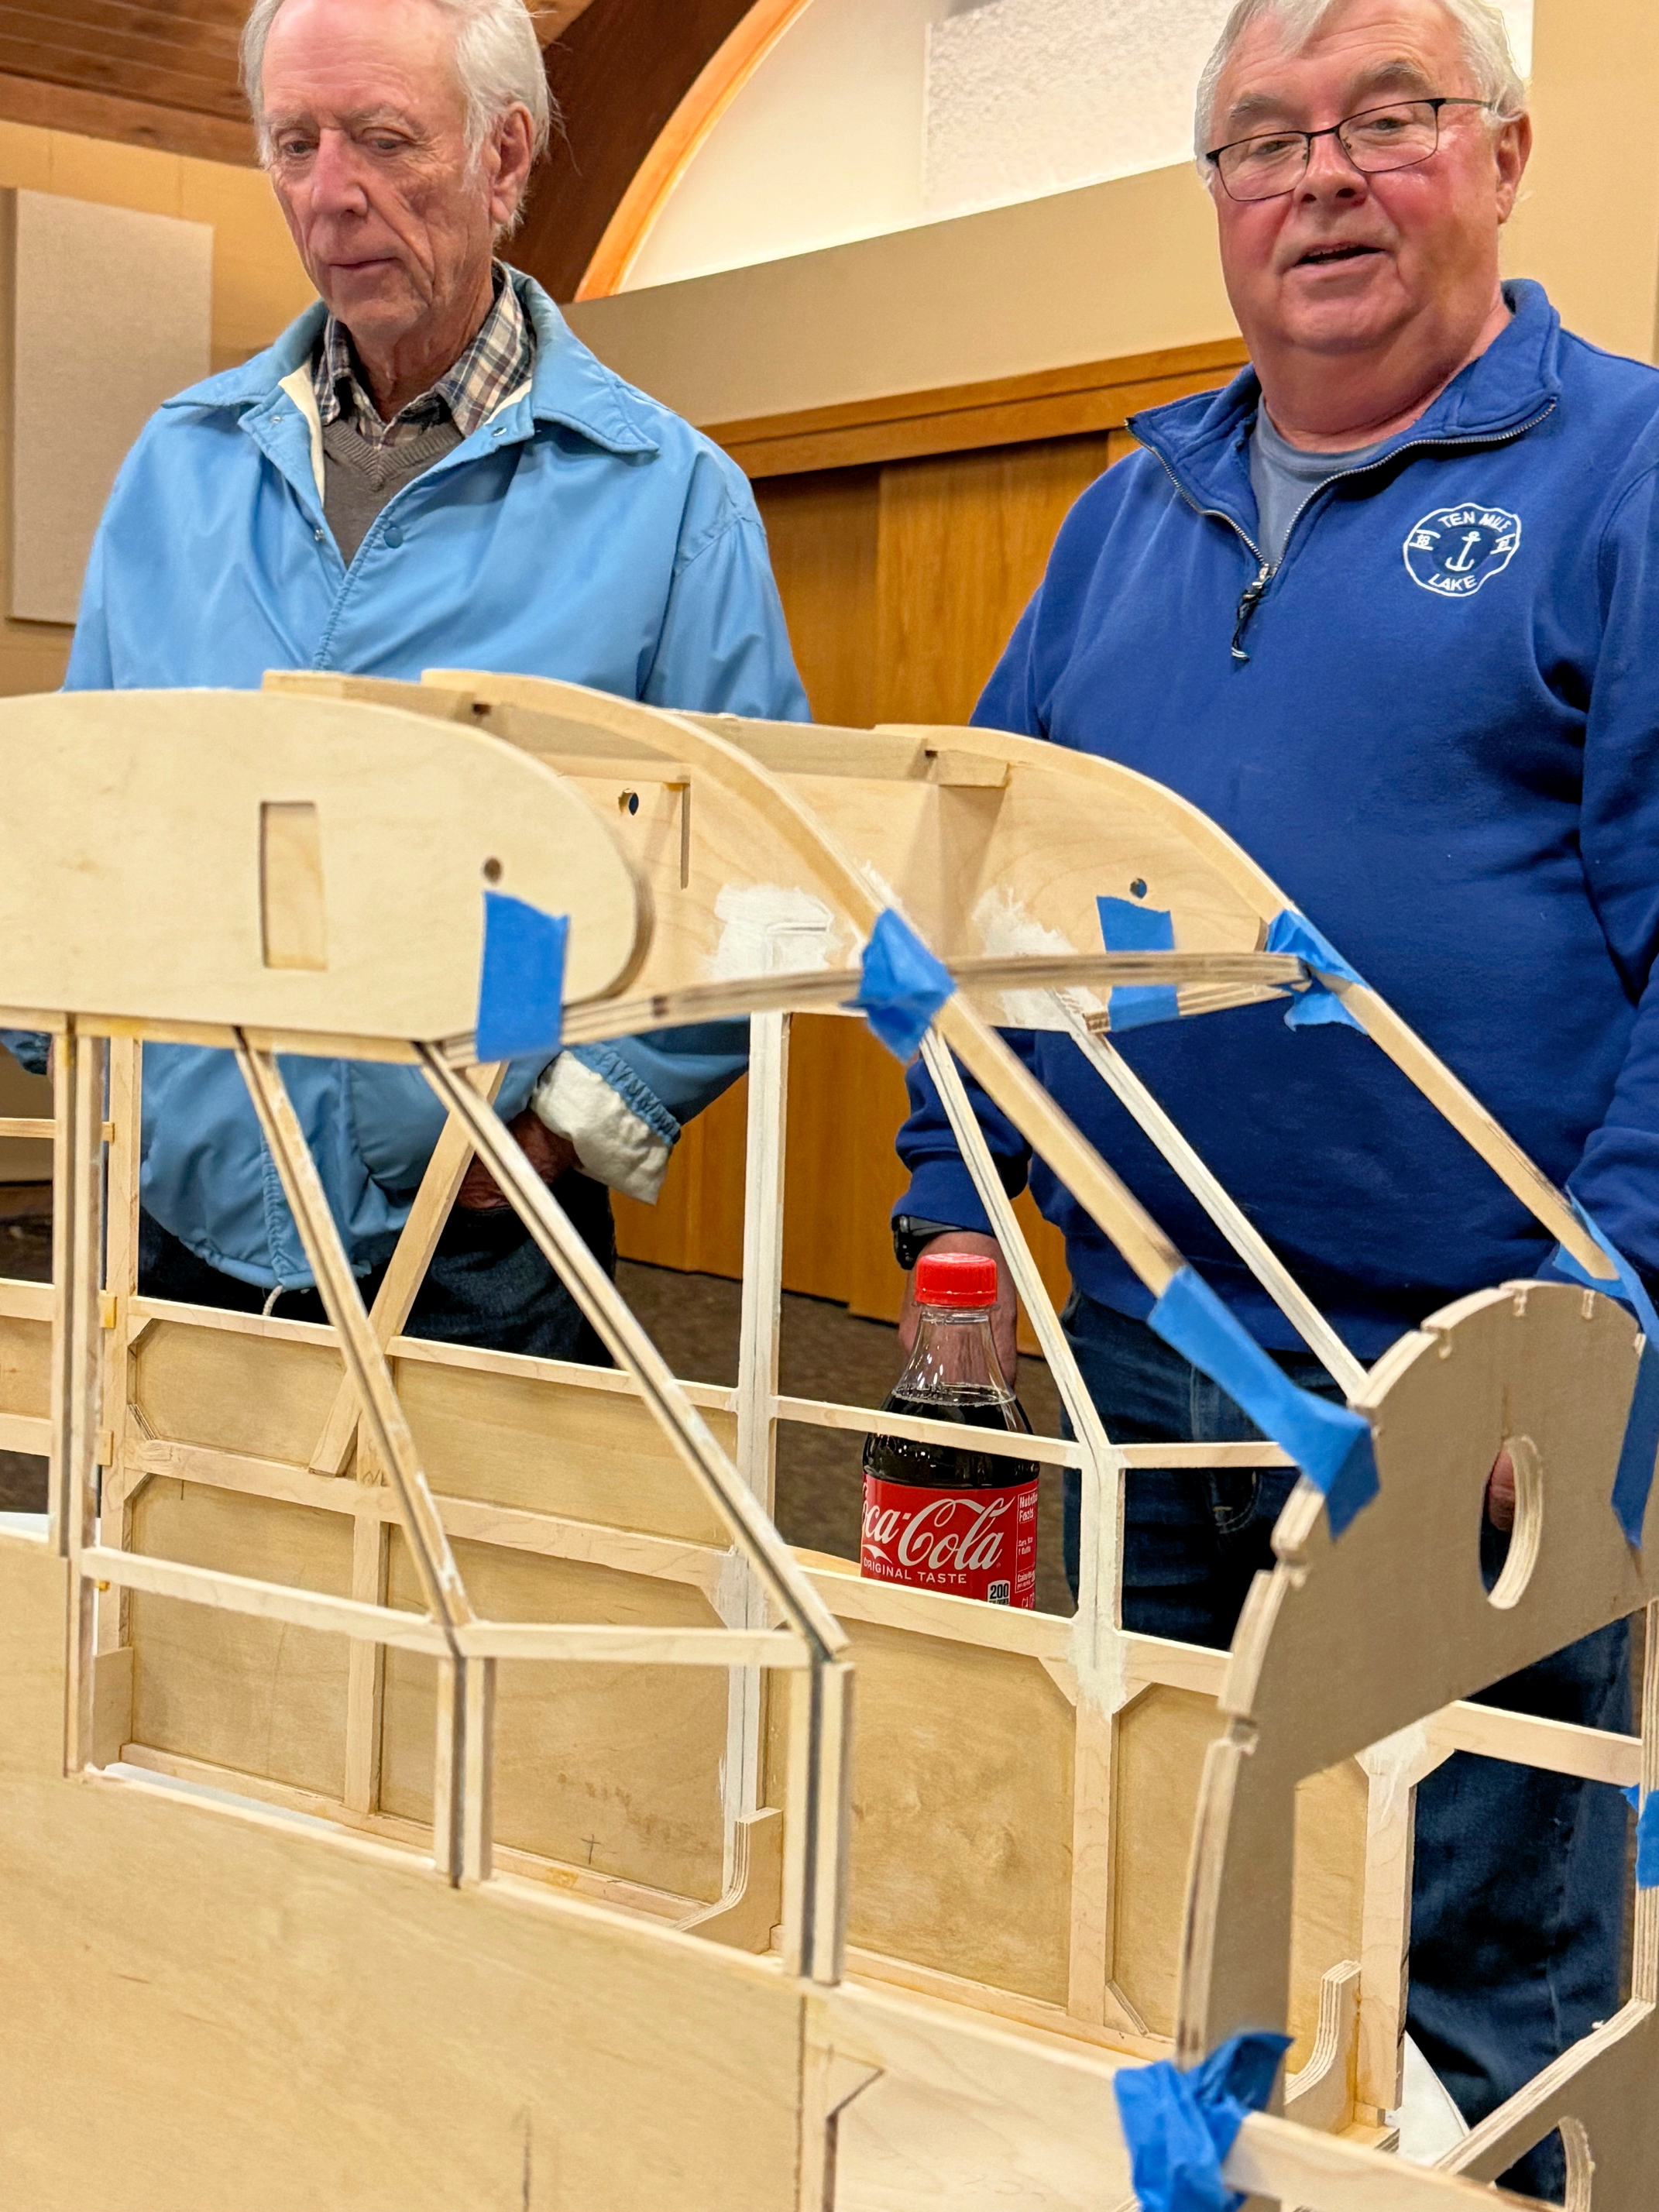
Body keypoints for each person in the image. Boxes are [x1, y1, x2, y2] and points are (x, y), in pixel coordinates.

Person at [891, 0, 1659, 2194]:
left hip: (1465, 1417)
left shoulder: (1623, 478)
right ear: (1216, 194)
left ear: (1503, 153)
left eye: (1385, 119)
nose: (1318, 176)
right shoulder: (1119, 518)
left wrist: (1578, 1346)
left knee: (1462, 2016)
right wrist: (952, 1223)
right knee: (1167, 1948)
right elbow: (969, 911)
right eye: (1262, 138)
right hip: (1143, 1380)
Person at [2, 0, 792, 1357]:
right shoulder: (178, 465)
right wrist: (77, 1050)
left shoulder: (669, 499)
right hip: (176, 1221)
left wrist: (564, 1128)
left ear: (504, 156)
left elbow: (758, 871)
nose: (330, 195)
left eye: (382, 140)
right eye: (293, 143)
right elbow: (82, 810)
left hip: (482, 1246)